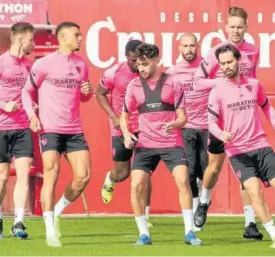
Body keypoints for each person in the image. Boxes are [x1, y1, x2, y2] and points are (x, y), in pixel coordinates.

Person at [120, 43, 203, 246]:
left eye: (146, 64)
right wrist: (125, 133)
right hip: (145, 145)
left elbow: (183, 117)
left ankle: (189, 233)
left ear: (157, 60)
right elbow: (124, 115)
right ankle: (143, 234)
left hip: (171, 142)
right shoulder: (134, 86)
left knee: (183, 181)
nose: (142, 69)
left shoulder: (173, 82)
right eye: (139, 64)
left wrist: (174, 124)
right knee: (136, 186)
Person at [194, 6, 263, 240]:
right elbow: (198, 81)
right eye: (232, 26)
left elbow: (252, 81)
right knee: (214, 168)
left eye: (239, 26)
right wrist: (221, 84)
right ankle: (204, 201)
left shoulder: (253, 51)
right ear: (225, 27)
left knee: (248, 172)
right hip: (221, 119)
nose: (235, 30)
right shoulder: (217, 52)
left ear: (246, 27)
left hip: (243, 121)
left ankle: (250, 224)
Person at [22, 22, 92, 247]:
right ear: (62, 37)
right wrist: (32, 116)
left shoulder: (81, 64)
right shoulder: (43, 64)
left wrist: (87, 93)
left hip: (74, 129)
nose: (80, 39)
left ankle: (58, 210)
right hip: (50, 128)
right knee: (52, 173)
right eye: (77, 35)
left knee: (83, 177)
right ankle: (50, 229)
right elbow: (26, 90)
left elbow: (83, 98)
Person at [208, 44, 275, 248]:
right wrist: (222, 134)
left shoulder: (254, 85)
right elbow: (211, 123)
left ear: (238, 61)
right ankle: (274, 235)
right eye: (222, 63)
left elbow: (266, 107)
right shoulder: (217, 91)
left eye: (229, 62)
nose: (226, 66)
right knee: (255, 193)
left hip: (261, 145)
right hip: (237, 152)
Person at [96, 40, 153, 227]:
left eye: (141, 60)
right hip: (121, 128)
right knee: (123, 173)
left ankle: (145, 216)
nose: (138, 64)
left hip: (144, 127)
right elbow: (100, 93)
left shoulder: (149, 71)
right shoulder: (114, 73)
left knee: (144, 172)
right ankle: (110, 179)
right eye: (134, 60)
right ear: (127, 56)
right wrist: (113, 117)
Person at [167, 33, 207, 232]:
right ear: (179, 48)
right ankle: (192, 215)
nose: (189, 49)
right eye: (185, 46)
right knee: (190, 172)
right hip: (185, 127)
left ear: (197, 46)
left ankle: (202, 202)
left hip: (207, 126)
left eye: (192, 45)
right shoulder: (173, 72)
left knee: (205, 172)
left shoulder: (207, 67)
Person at [0, 22, 35, 239]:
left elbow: (30, 92)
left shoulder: (29, 66)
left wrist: (33, 107)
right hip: (2, 126)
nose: (33, 43)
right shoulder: (2, 62)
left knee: (24, 172)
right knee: (2, 177)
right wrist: (4, 105)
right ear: (21, 40)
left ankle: (19, 222)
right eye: (31, 39)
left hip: (23, 126)